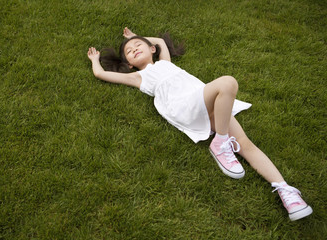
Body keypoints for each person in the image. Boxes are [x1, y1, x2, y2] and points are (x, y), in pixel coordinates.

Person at [87, 27, 313, 221]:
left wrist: (138, 36)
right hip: (185, 106)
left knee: (245, 143)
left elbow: (158, 42)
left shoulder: (166, 61)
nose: (134, 48)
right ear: (129, 64)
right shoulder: (138, 78)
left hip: (208, 102)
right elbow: (101, 74)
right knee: (228, 83)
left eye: (138, 45)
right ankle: (220, 142)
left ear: (152, 50)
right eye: (129, 51)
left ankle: (287, 193)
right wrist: (95, 61)